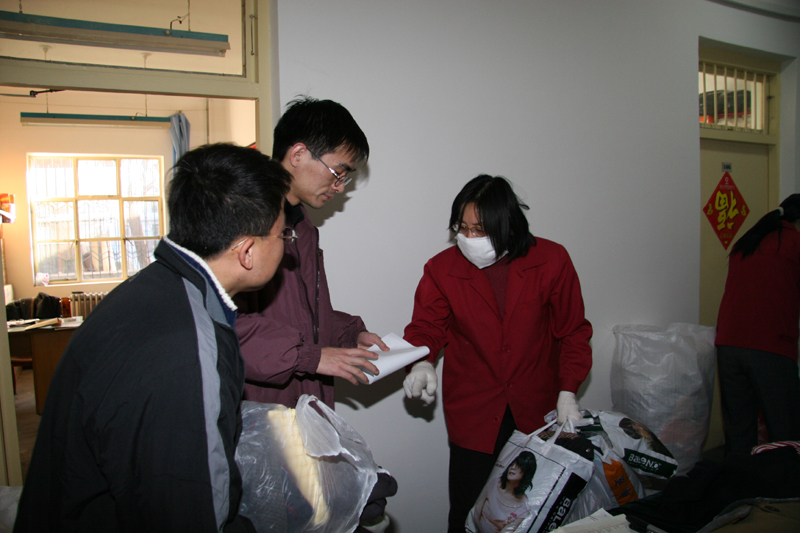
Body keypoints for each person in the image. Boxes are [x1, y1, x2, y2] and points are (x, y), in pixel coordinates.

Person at [14, 143, 292, 532]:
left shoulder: (156, 288)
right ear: (247, 251)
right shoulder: (186, 349)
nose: (286, 244)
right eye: (283, 233)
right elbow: (188, 512)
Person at [402, 175, 592, 532]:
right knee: (468, 510)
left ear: (509, 226)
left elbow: (573, 331)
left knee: (532, 511)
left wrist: (568, 390)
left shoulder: (551, 260)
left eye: (480, 229)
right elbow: (426, 327)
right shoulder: (442, 268)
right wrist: (421, 363)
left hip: (536, 408)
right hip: (474, 410)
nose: (469, 237)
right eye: (462, 228)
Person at [234, 96, 387, 409]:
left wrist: (350, 336)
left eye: (345, 178)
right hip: (262, 409)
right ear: (298, 154)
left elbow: (299, 316)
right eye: (337, 172)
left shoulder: (301, 227)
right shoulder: (245, 222)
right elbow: (228, 329)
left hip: (304, 404)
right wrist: (311, 357)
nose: (339, 187)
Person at [715, 194, 800, 456]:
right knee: (785, 430)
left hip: (729, 343)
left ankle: (740, 478)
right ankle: (783, 480)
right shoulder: (793, 242)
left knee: (739, 427)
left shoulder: (750, 239)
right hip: (769, 344)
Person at [474, 452, 537, 533]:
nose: (513, 468)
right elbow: (476, 511)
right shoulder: (495, 483)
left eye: (519, 466)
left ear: (526, 473)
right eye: (512, 464)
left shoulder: (523, 509)